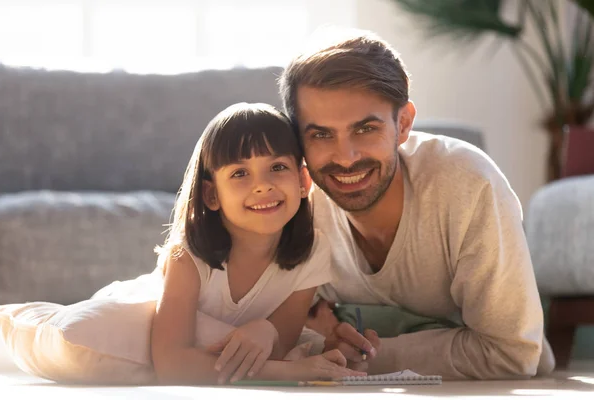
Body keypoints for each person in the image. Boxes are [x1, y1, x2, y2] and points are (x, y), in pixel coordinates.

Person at [277, 28, 555, 380]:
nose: (345, 158)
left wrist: (359, 355)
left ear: (404, 123)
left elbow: (512, 354)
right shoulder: (292, 201)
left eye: (365, 129)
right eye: (320, 134)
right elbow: (271, 335)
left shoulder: (469, 185)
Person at [150, 102, 366, 385]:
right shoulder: (187, 257)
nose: (262, 185)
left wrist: (268, 330)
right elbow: (170, 364)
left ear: (303, 181)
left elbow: (281, 346)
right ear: (211, 194)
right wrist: (289, 372)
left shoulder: (313, 251)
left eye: (277, 167)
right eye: (240, 173)